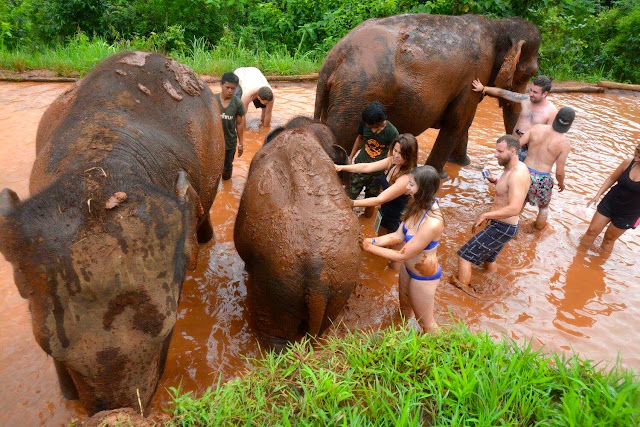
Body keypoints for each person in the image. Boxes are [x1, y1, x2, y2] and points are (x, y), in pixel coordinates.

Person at [361, 165, 444, 332]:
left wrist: (367, 247)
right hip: (408, 269)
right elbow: (397, 236)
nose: (407, 187)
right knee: (404, 312)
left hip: (423, 277)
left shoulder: (433, 222)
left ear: (424, 189)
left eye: (411, 185)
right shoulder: (415, 206)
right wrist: (368, 240)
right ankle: (402, 338)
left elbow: (400, 256)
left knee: (426, 324)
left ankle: (442, 349)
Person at [453, 135, 530, 289]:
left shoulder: (517, 174)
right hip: (504, 226)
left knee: (464, 256)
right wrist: (494, 180)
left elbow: (515, 208)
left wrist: (485, 215)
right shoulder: (510, 168)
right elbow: (507, 190)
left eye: (500, 152)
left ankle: (462, 291)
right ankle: (492, 283)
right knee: (489, 259)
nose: (496, 154)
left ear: (513, 151)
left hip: (502, 227)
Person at [335, 133, 418, 234]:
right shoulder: (392, 162)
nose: (396, 155)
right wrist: (341, 167)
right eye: (395, 150)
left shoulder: (406, 179)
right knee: (379, 240)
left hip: (397, 220)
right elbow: (367, 167)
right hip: (384, 212)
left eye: (401, 154)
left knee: (389, 247)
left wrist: (351, 202)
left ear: (409, 156)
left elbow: (380, 199)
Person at [472, 75, 558, 161]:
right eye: (530, 90)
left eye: (535, 92)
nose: (531, 94)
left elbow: (550, 138)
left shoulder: (551, 112)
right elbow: (503, 93)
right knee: (508, 172)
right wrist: (483, 89)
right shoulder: (525, 100)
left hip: (531, 152)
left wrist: (529, 139)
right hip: (514, 147)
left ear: (545, 94)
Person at [519, 106, 575, 229]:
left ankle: (511, 228)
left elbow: (517, 144)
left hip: (523, 172)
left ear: (556, 117)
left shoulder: (536, 128)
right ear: (569, 124)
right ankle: (537, 233)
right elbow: (559, 172)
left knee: (519, 202)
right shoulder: (564, 144)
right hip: (541, 178)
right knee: (543, 208)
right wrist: (561, 184)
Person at [581, 143, 640, 253]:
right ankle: (576, 260)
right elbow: (611, 178)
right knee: (591, 231)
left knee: (608, 240)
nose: (635, 158)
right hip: (610, 202)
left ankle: (598, 267)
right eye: (635, 154)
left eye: (639, 157)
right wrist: (597, 195)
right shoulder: (628, 162)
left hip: (629, 213)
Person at [348, 101, 399, 217]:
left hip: (377, 174)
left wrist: (389, 173)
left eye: (369, 124)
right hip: (359, 168)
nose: (366, 125)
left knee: (371, 202)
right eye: (365, 122)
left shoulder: (392, 132)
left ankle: (366, 220)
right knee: (349, 198)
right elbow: (360, 138)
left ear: (379, 123)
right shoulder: (365, 123)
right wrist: (351, 157)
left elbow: (393, 154)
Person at [215, 72, 245, 181]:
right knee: (213, 168)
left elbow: (239, 124)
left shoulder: (238, 104)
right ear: (221, 85)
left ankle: (227, 187)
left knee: (227, 168)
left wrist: (241, 143)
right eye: (227, 87)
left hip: (230, 142)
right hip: (214, 143)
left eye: (233, 88)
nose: (230, 91)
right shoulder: (212, 100)